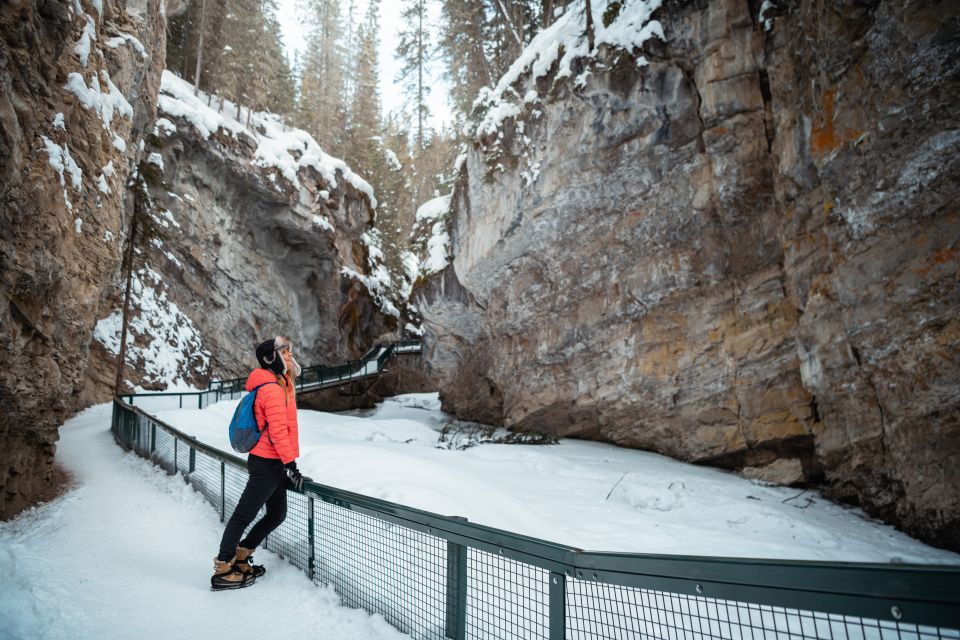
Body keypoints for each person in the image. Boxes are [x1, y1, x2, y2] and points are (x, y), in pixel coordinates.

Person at [210, 336, 310, 590]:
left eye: (290, 351)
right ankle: (223, 567)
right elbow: (278, 431)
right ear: (271, 358)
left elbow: (283, 427)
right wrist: (292, 465)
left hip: (273, 462)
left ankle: (242, 555)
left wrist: (286, 464)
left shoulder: (280, 384)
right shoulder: (271, 389)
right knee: (243, 515)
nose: (289, 356)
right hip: (266, 463)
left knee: (277, 514)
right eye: (284, 352)